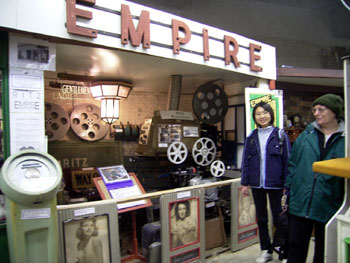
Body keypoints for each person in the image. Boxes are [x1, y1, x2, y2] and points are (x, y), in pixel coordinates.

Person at [285, 93, 345, 263]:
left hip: (329, 202)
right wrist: (288, 190)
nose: (316, 113)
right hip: (300, 201)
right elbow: (293, 164)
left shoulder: (345, 139)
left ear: (334, 112)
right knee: (295, 248)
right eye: (314, 110)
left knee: (324, 251)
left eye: (321, 109)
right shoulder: (306, 135)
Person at [241, 101, 291, 263]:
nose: (262, 116)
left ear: (271, 114)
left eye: (265, 113)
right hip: (257, 185)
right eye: (258, 114)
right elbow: (246, 162)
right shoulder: (251, 137)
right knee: (261, 219)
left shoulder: (280, 135)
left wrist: (287, 186)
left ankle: (283, 251)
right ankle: (266, 250)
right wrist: (244, 183)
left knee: (280, 220)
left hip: (276, 184)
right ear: (254, 117)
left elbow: (288, 162)